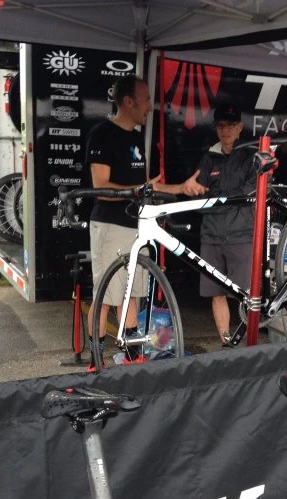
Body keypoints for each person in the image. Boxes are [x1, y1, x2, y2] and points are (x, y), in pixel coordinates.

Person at [85, 75, 206, 370]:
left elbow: (147, 186)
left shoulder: (138, 138)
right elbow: (100, 186)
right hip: (110, 225)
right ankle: (95, 359)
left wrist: (180, 188)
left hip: (136, 226)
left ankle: (131, 356)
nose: (151, 107)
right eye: (147, 100)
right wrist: (136, 192)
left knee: (133, 292)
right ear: (129, 101)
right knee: (104, 295)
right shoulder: (102, 133)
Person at [195, 103, 257, 346]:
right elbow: (199, 196)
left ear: (240, 127)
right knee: (216, 293)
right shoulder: (208, 157)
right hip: (211, 236)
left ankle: (248, 346)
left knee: (247, 295)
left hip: (241, 235)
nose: (225, 130)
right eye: (221, 125)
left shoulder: (251, 156)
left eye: (230, 125)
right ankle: (226, 344)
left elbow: (251, 192)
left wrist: (219, 197)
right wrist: (229, 198)